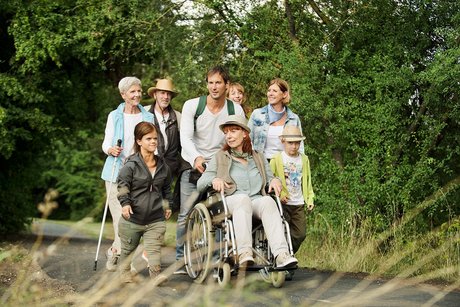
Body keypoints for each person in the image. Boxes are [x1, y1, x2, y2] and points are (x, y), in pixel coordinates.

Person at [197, 115, 298, 268]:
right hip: (231, 201)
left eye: (233, 131)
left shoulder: (258, 156)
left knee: (268, 201)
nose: (229, 136)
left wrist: (274, 180)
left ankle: (281, 255)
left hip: (255, 200)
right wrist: (214, 180)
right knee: (242, 199)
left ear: (244, 133)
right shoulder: (220, 157)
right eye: (226, 132)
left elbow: (270, 178)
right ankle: (244, 252)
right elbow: (200, 183)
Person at [176, 66, 245, 272]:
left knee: (220, 214)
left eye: (218, 83)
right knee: (186, 213)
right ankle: (181, 260)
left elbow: (239, 138)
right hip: (193, 162)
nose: (214, 87)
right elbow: (185, 137)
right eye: (210, 82)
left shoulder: (235, 110)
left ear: (227, 85)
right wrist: (196, 157)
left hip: (221, 165)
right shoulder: (192, 106)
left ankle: (217, 259)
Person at [101, 77, 154, 271]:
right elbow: (106, 142)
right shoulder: (114, 116)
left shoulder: (148, 117)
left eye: (139, 91)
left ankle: (114, 251)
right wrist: (110, 150)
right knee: (121, 218)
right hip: (115, 172)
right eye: (132, 91)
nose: (137, 94)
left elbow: (152, 144)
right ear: (123, 95)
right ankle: (128, 261)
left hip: (139, 174)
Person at [117, 122, 173, 283]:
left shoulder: (163, 166)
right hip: (132, 218)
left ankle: (156, 276)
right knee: (127, 250)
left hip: (155, 218)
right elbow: (122, 187)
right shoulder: (131, 165)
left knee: (154, 249)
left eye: (155, 138)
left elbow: (167, 188)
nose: (153, 142)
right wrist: (125, 204)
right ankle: (124, 272)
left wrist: (167, 204)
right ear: (139, 141)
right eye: (148, 138)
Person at [269, 126, 314, 256]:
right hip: (283, 203)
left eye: (297, 143)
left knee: (300, 234)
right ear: (283, 141)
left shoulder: (304, 159)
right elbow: (271, 180)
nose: (294, 146)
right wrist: (280, 194)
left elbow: (307, 180)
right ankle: (282, 257)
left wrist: (310, 198)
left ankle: (287, 255)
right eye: (290, 143)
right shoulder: (276, 159)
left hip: (298, 202)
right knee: (283, 232)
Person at [248, 78, 303, 160]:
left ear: (284, 94)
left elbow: (300, 146)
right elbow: (247, 140)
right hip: (261, 163)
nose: (270, 93)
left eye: (274, 91)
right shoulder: (257, 114)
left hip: (285, 165)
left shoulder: (293, 118)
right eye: (269, 90)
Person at [146, 78, 182, 176]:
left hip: (169, 169)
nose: (165, 97)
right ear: (155, 95)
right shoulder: (145, 114)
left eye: (168, 94)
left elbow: (183, 145)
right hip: (148, 167)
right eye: (162, 93)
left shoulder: (178, 116)